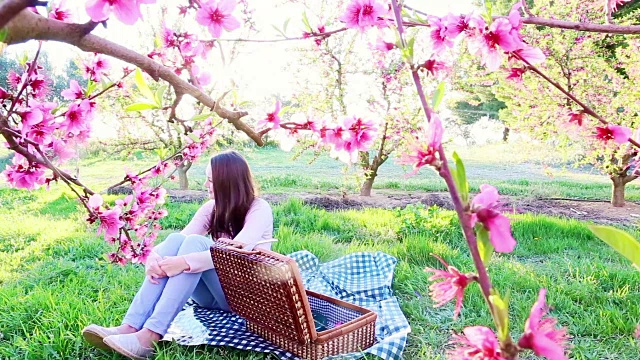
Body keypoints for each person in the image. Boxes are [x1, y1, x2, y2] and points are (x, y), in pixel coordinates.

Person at [82, 150, 275, 360]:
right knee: (178, 240)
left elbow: (238, 250)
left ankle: (150, 336)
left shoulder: (259, 208)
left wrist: (184, 262)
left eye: (211, 181)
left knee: (196, 243)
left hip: (246, 298)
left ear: (228, 183)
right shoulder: (212, 208)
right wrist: (154, 257)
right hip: (212, 296)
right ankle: (129, 327)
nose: (205, 186)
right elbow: (179, 239)